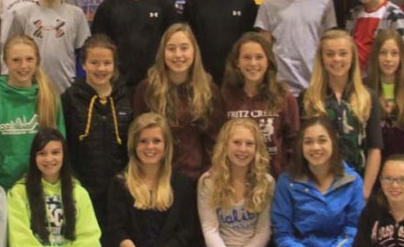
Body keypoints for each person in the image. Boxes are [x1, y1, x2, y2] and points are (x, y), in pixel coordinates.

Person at [268, 116, 364, 247]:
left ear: (333, 143)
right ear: (300, 147)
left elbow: (353, 231)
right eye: (308, 142)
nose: (315, 147)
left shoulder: (352, 181)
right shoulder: (287, 181)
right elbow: (282, 232)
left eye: (322, 140)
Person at [104, 113, 197, 247]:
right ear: (134, 145)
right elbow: (116, 231)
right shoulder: (120, 183)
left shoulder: (180, 183)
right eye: (143, 141)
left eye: (156, 141)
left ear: (166, 145)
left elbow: (184, 232)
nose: (150, 147)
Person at [192, 119, 274, 247]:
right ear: (225, 145)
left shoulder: (266, 182)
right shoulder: (208, 181)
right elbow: (210, 229)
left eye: (249, 144)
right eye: (237, 142)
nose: (243, 149)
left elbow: (263, 230)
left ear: (257, 148)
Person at [300, 29, 384, 197]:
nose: (337, 59)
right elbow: (302, 148)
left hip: (357, 186)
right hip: (319, 190)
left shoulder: (368, 97)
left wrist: (365, 192)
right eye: (330, 54)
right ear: (321, 59)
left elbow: (375, 148)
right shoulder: (307, 98)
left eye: (343, 53)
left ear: (352, 57)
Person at [133, 23, 222, 182]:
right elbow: (138, 138)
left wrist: (207, 176)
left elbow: (215, 141)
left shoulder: (209, 91)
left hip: (196, 178)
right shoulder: (146, 89)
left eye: (184, 48)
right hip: (156, 177)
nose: (178, 54)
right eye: (171, 49)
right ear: (162, 52)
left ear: (194, 51)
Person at [0, 34, 65, 190]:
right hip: (3, 188)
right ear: (5, 61)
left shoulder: (50, 97)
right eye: (16, 60)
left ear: (37, 61)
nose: (23, 66)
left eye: (29, 59)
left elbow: (60, 147)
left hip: (42, 188)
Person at [61, 34, 134, 227]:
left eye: (107, 63)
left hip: (119, 189)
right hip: (82, 188)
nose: (101, 69)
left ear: (114, 65)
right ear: (83, 64)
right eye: (94, 62)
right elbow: (63, 143)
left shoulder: (126, 98)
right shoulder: (69, 99)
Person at [92, 0, 179, 88]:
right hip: (118, 86)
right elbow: (99, 49)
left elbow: (173, 47)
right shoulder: (107, 8)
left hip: (157, 84)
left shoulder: (165, 7)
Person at [256, 0, 337, 95]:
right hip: (282, 86)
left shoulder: (325, 3)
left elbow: (330, 44)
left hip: (315, 84)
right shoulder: (269, 4)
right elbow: (264, 47)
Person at [221, 32, 300, 178]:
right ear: (237, 62)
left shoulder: (284, 98)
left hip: (276, 177)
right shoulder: (225, 97)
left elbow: (294, 142)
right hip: (234, 178)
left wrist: (287, 177)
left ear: (268, 61)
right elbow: (216, 140)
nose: (253, 63)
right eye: (247, 57)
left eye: (259, 57)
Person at [9, 0, 91, 94]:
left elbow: (82, 53)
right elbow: (13, 52)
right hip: (31, 87)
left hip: (66, 87)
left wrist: (79, 84)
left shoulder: (76, 14)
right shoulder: (22, 15)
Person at [365, 29, 404, 158]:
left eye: (394, 53)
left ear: (402, 57)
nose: (388, 59)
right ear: (375, 56)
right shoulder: (363, 88)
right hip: (372, 160)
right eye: (383, 53)